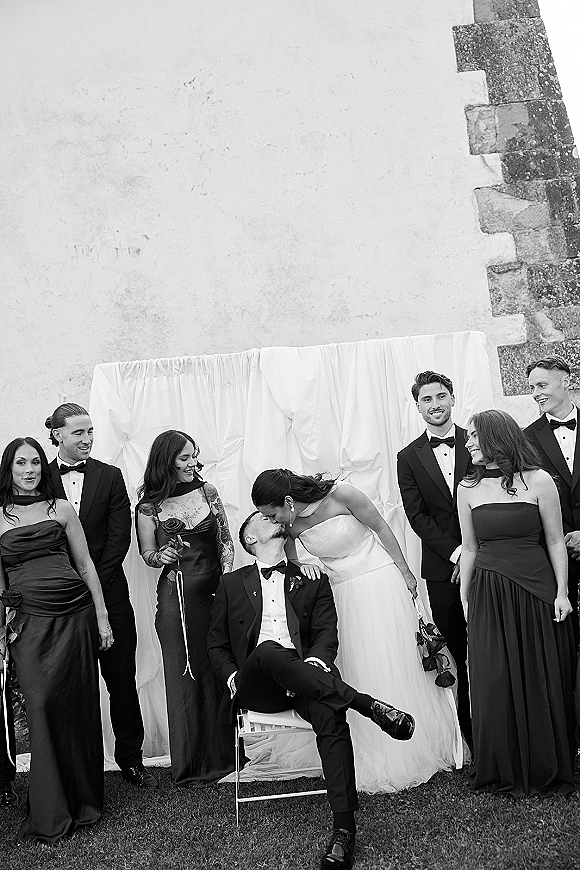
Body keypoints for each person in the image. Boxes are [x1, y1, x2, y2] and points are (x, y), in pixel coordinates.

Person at [208, 511, 415, 870]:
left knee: (329, 714)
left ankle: (344, 830)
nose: (271, 518)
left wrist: (316, 663)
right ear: (250, 539)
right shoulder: (231, 584)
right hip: (258, 684)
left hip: (307, 677)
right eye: (261, 517)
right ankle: (366, 704)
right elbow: (215, 644)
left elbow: (326, 632)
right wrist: (231, 677)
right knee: (269, 651)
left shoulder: (311, 577)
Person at [252, 470, 462, 795]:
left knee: (392, 660)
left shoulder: (343, 495)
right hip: (340, 593)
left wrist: (405, 573)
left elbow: (381, 527)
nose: (270, 520)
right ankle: (368, 743)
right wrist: (303, 567)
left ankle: (407, 741)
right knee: (360, 667)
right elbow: (290, 566)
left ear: (289, 501)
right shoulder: (288, 525)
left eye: (271, 513)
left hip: (378, 579)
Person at [0, 437, 114, 843]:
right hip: (28, 623)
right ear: (8, 469)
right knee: (43, 704)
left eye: (35, 463)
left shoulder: (60, 508)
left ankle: (83, 801)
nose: (30, 470)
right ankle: (50, 809)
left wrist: (102, 617)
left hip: (74, 615)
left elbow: (85, 565)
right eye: (21, 464)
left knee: (77, 704)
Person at [458, 410, 577, 796]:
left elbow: (556, 540)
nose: (468, 442)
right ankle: (501, 768)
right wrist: (465, 593)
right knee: (494, 678)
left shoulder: (540, 480)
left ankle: (546, 765)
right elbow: (472, 547)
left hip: (536, 588)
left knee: (541, 674)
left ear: (496, 438)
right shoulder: (467, 488)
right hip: (488, 591)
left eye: (475, 436)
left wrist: (562, 592)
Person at [45, 403, 156, 789]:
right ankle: (76, 762)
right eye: (78, 432)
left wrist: (92, 584)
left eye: (90, 431)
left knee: (121, 681)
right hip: (57, 602)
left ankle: (131, 759)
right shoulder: (38, 479)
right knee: (70, 686)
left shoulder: (110, 477)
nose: (88, 439)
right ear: (57, 435)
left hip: (110, 595)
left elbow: (118, 539)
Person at [136, 430, 235, 787]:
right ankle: (192, 764)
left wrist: (226, 582)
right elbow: (147, 554)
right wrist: (161, 555)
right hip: (177, 599)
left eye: (194, 455)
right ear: (167, 462)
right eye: (183, 458)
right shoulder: (148, 507)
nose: (192, 463)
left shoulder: (209, 492)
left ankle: (228, 754)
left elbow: (226, 540)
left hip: (216, 593)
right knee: (184, 676)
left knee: (217, 666)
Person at [397, 371, 473, 752]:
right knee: (456, 653)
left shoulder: (478, 442)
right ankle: (468, 740)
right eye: (427, 399)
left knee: (490, 647)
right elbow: (417, 517)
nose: (435, 405)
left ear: (452, 398)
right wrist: (458, 553)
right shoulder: (408, 458)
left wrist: (476, 553)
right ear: (418, 406)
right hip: (443, 570)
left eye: (441, 396)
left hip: (490, 562)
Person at [524, 356, 580, 642]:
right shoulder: (526, 440)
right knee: (565, 641)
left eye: (542, 384)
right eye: (532, 387)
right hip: (554, 559)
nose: (536, 393)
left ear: (566, 381)